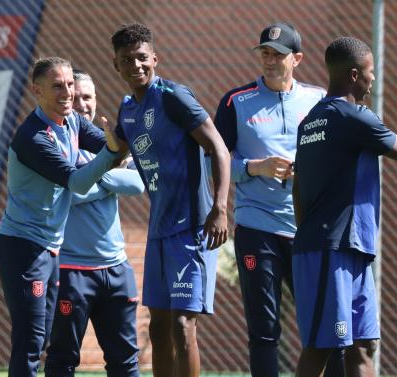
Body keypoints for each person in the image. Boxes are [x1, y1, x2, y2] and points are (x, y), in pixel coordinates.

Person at [292, 36, 397, 377]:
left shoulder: (311, 121)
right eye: (370, 71)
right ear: (353, 75)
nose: (373, 79)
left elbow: (297, 187)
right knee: (321, 346)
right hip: (328, 249)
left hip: (349, 247)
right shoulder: (351, 117)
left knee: (364, 345)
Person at [214, 22, 343, 377]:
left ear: (297, 59)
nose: (270, 61)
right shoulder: (235, 101)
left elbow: (336, 155)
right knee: (264, 330)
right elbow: (217, 161)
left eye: (279, 55)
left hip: (309, 230)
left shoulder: (319, 100)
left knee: (325, 325)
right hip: (257, 228)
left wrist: (307, 170)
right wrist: (257, 167)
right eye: (265, 54)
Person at [110, 23, 230, 377]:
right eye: (127, 60)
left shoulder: (173, 97)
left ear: (155, 59)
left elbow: (218, 148)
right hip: (159, 230)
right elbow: (115, 147)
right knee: (157, 328)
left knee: (182, 325)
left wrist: (219, 208)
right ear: (116, 65)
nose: (136, 66)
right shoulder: (128, 109)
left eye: (142, 58)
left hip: (192, 228)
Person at [0, 57, 127, 377]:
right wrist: (112, 153)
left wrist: (129, 135)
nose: (68, 92)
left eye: (69, 84)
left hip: (51, 246)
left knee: (45, 342)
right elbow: (78, 181)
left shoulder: (73, 123)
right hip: (23, 246)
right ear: (36, 91)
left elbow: (117, 147)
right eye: (58, 86)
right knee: (30, 341)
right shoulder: (33, 137)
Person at [44, 69, 145, 377]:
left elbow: (138, 184)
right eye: (75, 98)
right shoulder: (51, 143)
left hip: (115, 267)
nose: (82, 104)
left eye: (88, 97)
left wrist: (87, 177)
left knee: (126, 362)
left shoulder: (108, 143)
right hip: (71, 269)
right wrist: (110, 175)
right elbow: (69, 193)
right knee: (62, 359)